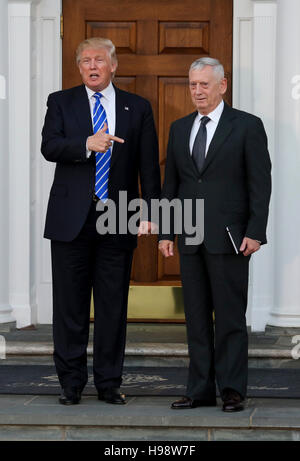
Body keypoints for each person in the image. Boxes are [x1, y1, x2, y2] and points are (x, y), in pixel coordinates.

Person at [41, 37, 160, 405]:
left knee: (112, 306)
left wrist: (152, 213)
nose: (91, 65)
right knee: (70, 305)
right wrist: (85, 145)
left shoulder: (136, 107)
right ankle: (71, 383)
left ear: (113, 66)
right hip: (70, 219)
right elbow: (49, 146)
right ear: (79, 67)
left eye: (99, 60)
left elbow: (148, 167)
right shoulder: (61, 101)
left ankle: (109, 383)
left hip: (118, 216)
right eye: (85, 60)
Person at [159, 57, 271, 412]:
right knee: (195, 319)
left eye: (204, 84)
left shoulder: (247, 126)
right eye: (193, 84)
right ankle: (200, 389)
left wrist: (256, 231)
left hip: (231, 238)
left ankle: (233, 389)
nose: (197, 91)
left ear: (222, 85)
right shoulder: (179, 129)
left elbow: (260, 184)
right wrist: (165, 232)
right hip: (190, 237)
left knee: (230, 318)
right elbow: (171, 186)